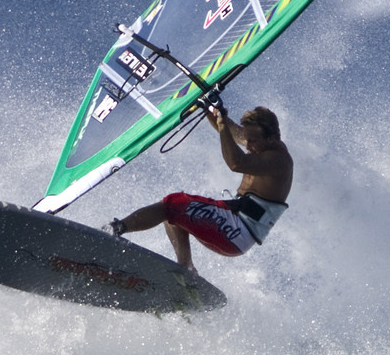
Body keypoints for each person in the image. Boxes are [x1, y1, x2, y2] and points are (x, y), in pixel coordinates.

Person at [108, 103, 292, 271]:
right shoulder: (261, 144)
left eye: (253, 141)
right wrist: (209, 107)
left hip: (237, 231)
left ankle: (116, 229)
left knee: (171, 206)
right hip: (233, 222)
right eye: (247, 139)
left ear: (273, 138)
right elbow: (232, 131)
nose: (248, 145)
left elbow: (236, 163)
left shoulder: (279, 160)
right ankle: (186, 267)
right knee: (175, 213)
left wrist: (221, 124)